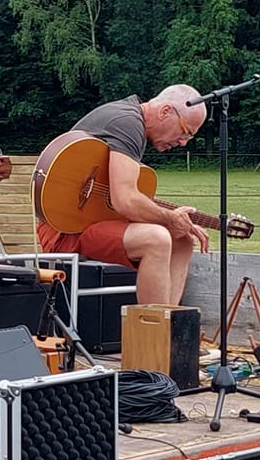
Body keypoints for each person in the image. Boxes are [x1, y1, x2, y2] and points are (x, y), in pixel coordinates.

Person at [36, 86, 210, 306]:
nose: (183, 142)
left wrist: (176, 223)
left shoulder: (126, 115)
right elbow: (125, 200)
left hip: (87, 223)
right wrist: (170, 219)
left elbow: (118, 196)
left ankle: (169, 322)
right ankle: (152, 331)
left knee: (182, 241)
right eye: (185, 132)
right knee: (156, 239)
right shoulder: (128, 123)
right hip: (66, 229)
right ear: (165, 111)